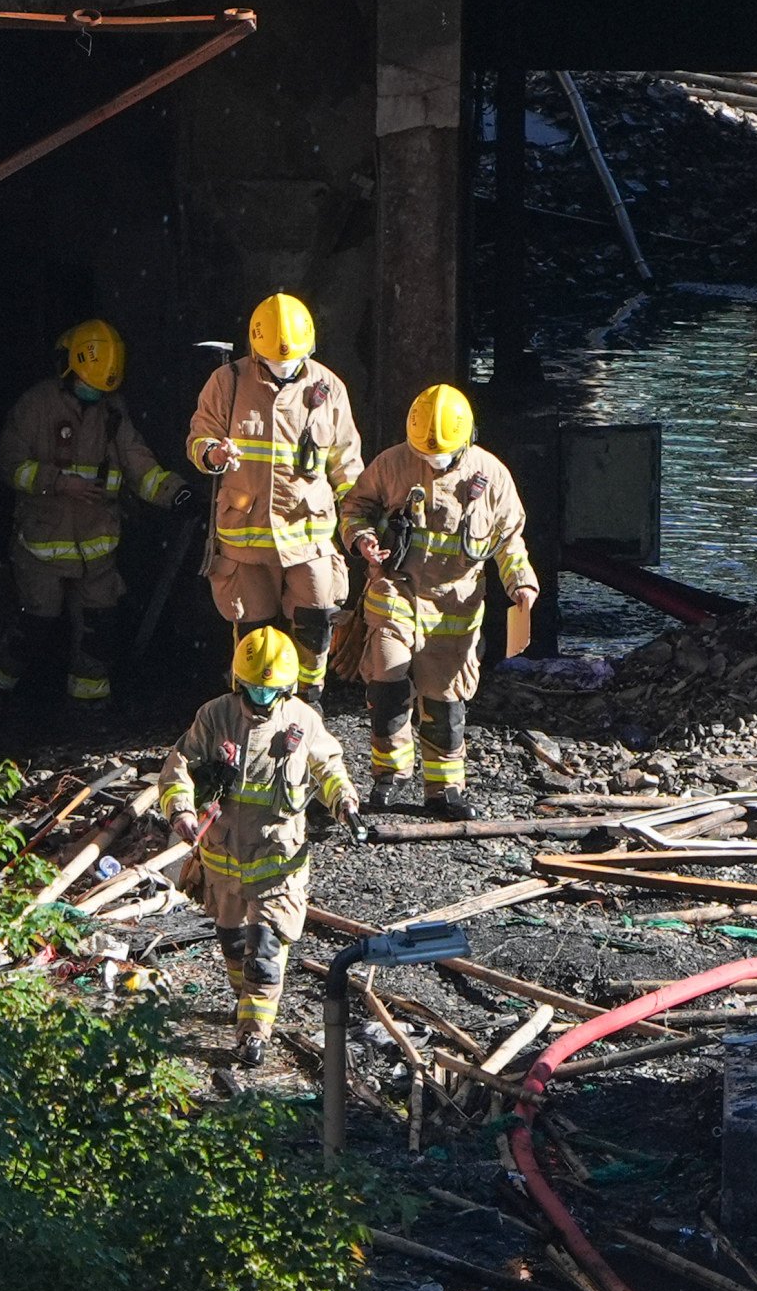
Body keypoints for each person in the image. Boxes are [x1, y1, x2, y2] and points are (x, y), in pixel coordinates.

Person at [156, 625, 358, 1073]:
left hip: (277, 863)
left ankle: (253, 1034)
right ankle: (243, 1000)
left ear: (286, 688)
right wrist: (182, 811)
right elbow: (179, 769)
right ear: (237, 681)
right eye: (253, 688)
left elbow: (328, 764)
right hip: (223, 860)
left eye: (270, 690)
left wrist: (343, 799)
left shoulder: (302, 720)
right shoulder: (214, 717)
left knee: (265, 951)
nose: (261, 698)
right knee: (233, 943)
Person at [349, 383, 540, 820]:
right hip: (397, 589)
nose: (431, 462)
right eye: (424, 453)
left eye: (439, 455)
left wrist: (521, 585)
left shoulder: (491, 477)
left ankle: (444, 789)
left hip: (455, 605)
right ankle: (389, 774)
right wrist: (363, 540)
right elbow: (356, 507)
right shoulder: (393, 464)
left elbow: (509, 542)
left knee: (444, 697)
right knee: (388, 677)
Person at [0, 317, 187, 704]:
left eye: (99, 388)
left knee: (99, 629)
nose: (91, 394)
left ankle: (89, 712)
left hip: (97, 548)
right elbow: (7, 462)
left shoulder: (113, 414)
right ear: (66, 368)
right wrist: (56, 482)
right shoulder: (36, 406)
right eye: (86, 385)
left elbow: (140, 467)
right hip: (42, 544)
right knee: (34, 623)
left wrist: (177, 495)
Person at [185, 292, 364, 689]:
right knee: (254, 633)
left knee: (316, 624)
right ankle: (253, 709)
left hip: (310, 536)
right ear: (254, 348)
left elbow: (347, 465)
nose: (282, 368)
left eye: (290, 360)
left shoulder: (328, 388)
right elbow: (199, 438)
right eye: (272, 361)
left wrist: (359, 525)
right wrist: (213, 453)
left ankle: (308, 702)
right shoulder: (228, 382)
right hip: (246, 541)